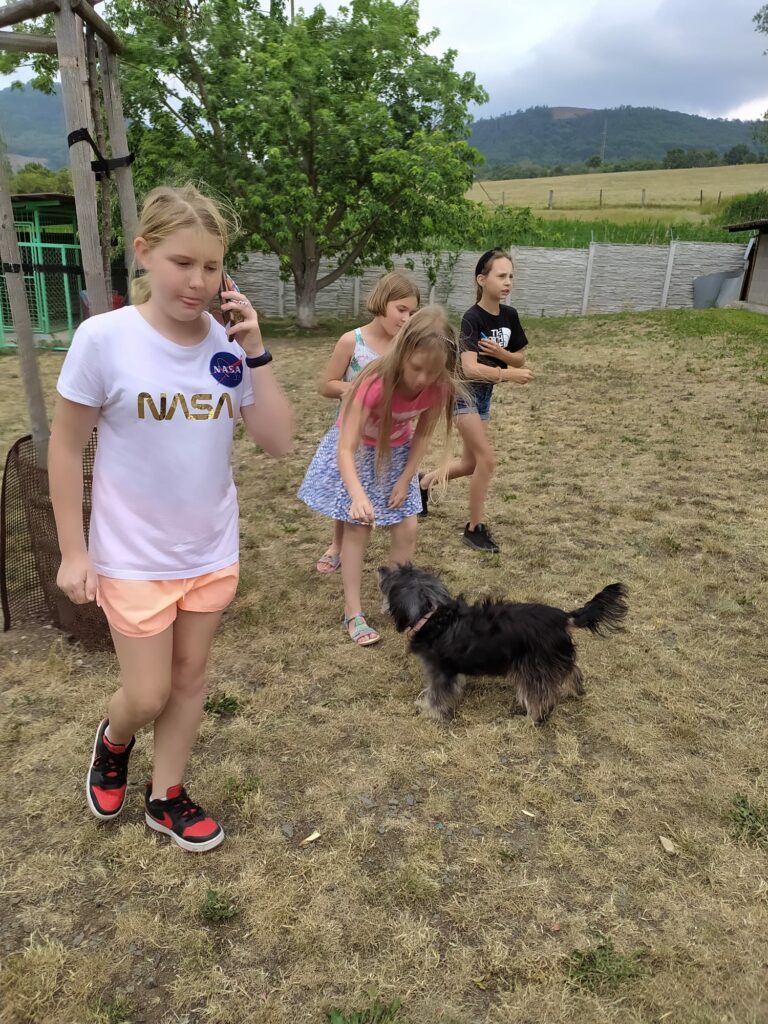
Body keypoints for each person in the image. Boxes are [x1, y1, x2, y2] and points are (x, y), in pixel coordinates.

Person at [48, 184, 293, 852]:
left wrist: (256, 349)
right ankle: (115, 738)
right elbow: (65, 448)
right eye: (183, 262)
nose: (198, 281)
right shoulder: (105, 339)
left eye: (211, 266)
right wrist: (74, 551)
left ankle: (166, 796)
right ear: (144, 253)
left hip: (209, 550)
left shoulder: (227, 346)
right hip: (131, 555)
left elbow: (277, 441)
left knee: (189, 680)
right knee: (148, 692)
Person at [298, 306, 461, 645]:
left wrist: (405, 479)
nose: (422, 379)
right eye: (417, 368)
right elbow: (346, 448)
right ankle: (353, 611)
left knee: (407, 526)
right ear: (402, 352)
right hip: (359, 452)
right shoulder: (373, 383)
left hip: (397, 453)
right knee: (358, 526)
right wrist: (358, 495)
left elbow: (423, 435)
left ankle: (396, 597)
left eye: (433, 372)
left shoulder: (439, 386)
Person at [418, 248, 533, 553]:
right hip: (463, 394)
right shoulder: (473, 318)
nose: (508, 282)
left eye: (511, 276)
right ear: (482, 279)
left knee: (471, 463)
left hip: (484, 395)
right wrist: (507, 374)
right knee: (487, 460)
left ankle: (424, 483)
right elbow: (469, 368)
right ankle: (473, 529)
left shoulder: (510, 316)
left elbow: (520, 358)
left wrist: (502, 355)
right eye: (501, 276)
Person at [314, 272, 420, 574]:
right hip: (354, 436)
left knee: (388, 496)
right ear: (382, 302)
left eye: (412, 312)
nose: (406, 318)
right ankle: (337, 545)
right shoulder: (352, 341)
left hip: (392, 440)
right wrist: (357, 391)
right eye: (401, 309)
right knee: (347, 493)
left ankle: (392, 556)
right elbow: (326, 385)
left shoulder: (407, 347)